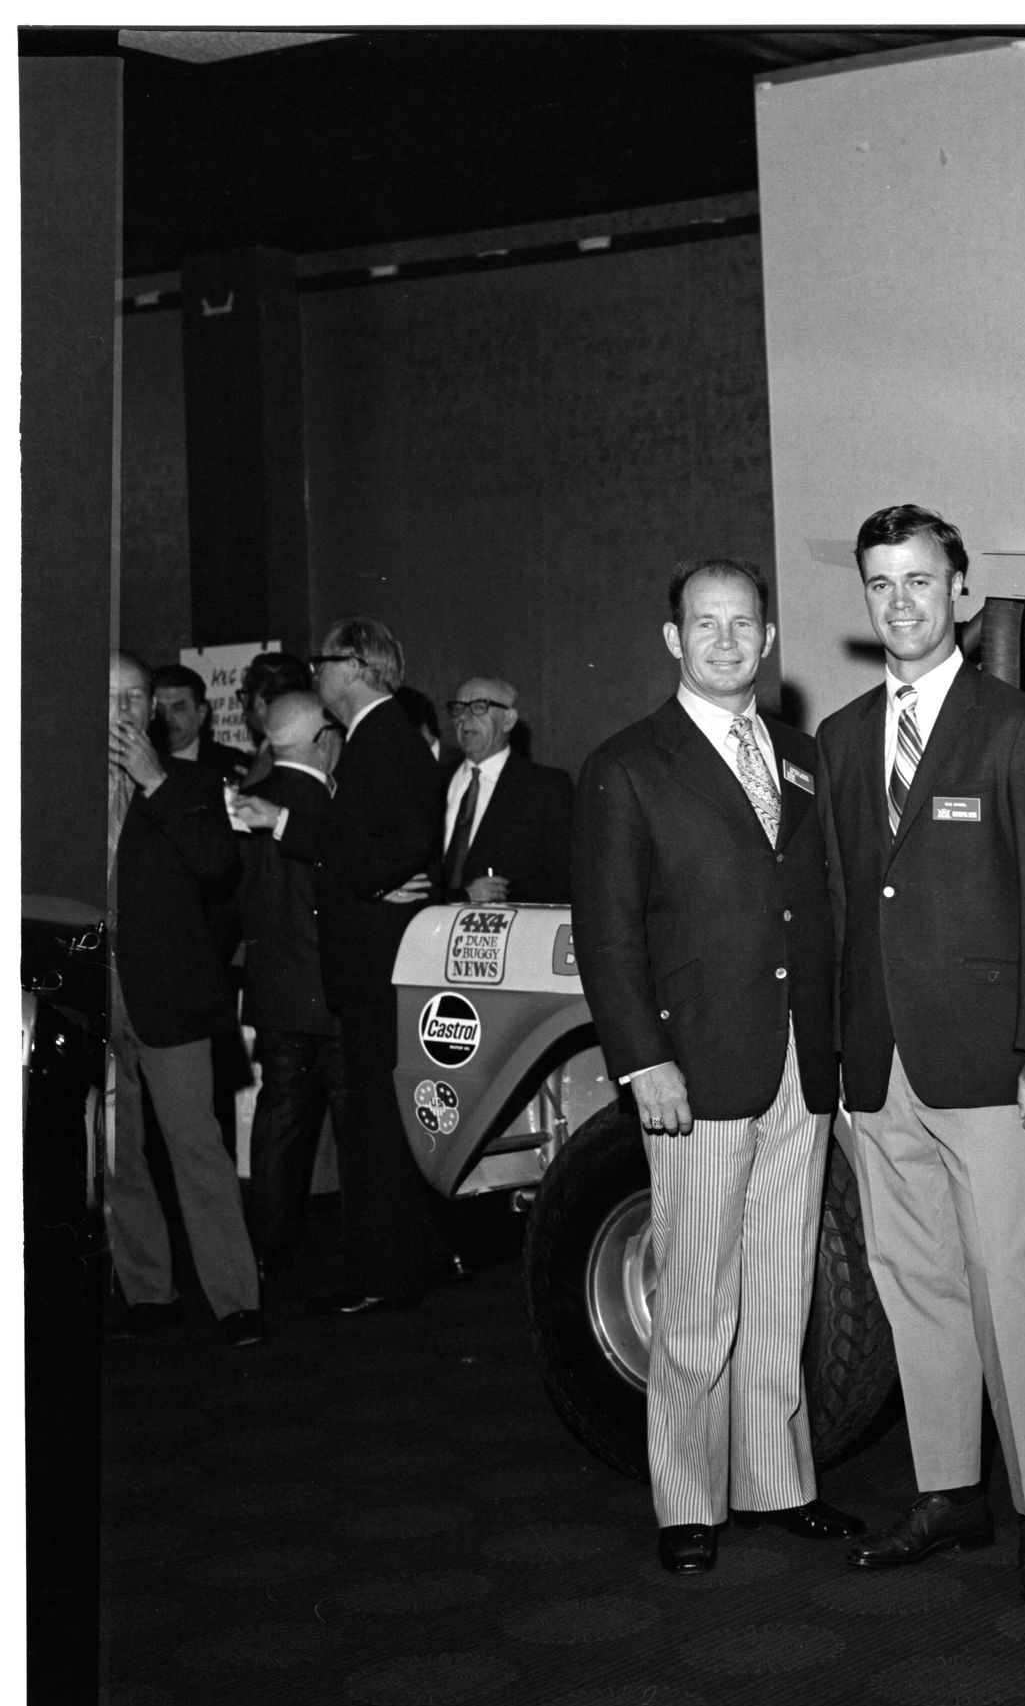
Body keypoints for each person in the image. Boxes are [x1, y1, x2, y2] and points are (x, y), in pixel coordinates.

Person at [819, 504, 1025, 1605]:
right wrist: (837, 1058)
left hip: (985, 1061)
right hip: (879, 1061)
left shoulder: (1017, 728)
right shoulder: (842, 738)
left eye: (920, 580)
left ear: (961, 592)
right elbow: (846, 902)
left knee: (1002, 1281)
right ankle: (947, 1492)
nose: (901, 602)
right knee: (913, 1281)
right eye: (881, 582)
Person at [573, 556, 860, 1575]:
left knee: (783, 1292)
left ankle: (777, 1481)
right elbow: (607, 933)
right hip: (692, 1068)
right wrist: (642, 1062)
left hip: (797, 1064)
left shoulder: (801, 756)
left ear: (769, 638)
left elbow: (818, 903)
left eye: (744, 624)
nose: (727, 641)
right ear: (674, 639)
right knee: (697, 1299)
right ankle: (688, 1499)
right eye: (707, 623)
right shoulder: (627, 765)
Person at [104, 653, 263, 1347]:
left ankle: (236, 1301)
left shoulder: (192, 782)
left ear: (152, 709)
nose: (123, 710)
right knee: (115, 1152)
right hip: (92, 991)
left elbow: (218, 865)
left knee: (196, 1146)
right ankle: (148, 1291)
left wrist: (155, 783)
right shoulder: (56, 787)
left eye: (135, 696)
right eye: (110, 696)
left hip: (169, 994)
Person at [301, 615, 448, 1312]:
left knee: (379, 1124)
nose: (315, 673)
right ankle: (393, 1268)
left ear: (357, 666)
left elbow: (410, 841)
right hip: (378, 960)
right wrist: (377, 876)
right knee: (379, 1119)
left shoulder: (382, 738)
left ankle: (384, 1276)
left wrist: (369, 880)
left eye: (323, 660)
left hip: (380, 963)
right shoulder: (377, 736)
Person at [230, 691, 348, 1273]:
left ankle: (269, 1249)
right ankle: (368, 1249)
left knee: (279, 1122)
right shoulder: (329, 807)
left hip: (274, 991)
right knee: (356, 1128)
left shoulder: (248, 802)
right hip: (332, 993)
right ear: (323, 741)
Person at [439, 676, 575, 903]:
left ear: (508, 720)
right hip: (429, 922)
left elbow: (564, 880)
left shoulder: (545, 788)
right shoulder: (433, 781)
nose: (464, 717)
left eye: (479, 707)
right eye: (458, 709)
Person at [151, 661, 255, 787]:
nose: (167, 718)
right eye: (159, 709)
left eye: (178, 708)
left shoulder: (232, 765)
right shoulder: (139, 760)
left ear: (201, 714)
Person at [236, 651, 315, 788]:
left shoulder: (277, 752)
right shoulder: (310, 744)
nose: (242, 704)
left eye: (244, 694)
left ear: (259, 702)